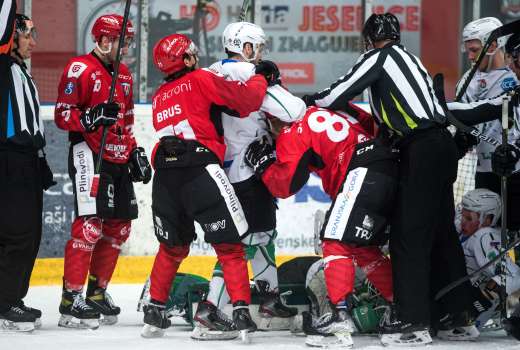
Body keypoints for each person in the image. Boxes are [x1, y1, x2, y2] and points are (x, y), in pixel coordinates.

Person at [301, 13, 476, 346]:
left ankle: (411, 321)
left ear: (370, 39)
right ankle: (458, 316)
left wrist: (307, 101)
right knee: (441, 233)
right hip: (441, 146)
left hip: (418, 149)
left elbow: (337, 94)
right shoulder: (413, 61)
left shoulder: (379, 57)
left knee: (408, 236)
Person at [141, 33, 268, 339]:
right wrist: (261, 77)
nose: (195, 57)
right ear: (184, 59)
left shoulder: (159, 95)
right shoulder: (199, 79)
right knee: (230, 246)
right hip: (201, 171)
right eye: (191, 53)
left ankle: (155, 309)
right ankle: (240, 312)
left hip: (166, 181)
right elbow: (246, 100)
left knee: (172, 248)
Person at [245, 103, 395, 348]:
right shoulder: (322, 108)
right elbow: (369, 120)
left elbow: (284, 185)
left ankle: (339, 316)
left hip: (361, 171)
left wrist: (264, 166)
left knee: (334, 240)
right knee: (361, 247)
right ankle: (400, 307)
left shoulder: (291, 131)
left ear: (275, 120)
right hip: (386, 167)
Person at [191, 21, 306, 340]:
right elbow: (294, 110)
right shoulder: (246, 74)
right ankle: (211, 306)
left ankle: (269, 298)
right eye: (257, 46)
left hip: (219, 169)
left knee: (256, 235)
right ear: (244, 46)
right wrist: (274, 81)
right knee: (242, 243)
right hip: (248, 168)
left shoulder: (212, 69)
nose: (260, 53)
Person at [54, 14, 151, 329]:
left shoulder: (123, 74)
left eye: (130, 42)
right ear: (104, 39)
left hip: (119, 157)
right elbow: (62, 114)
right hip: (89, 153)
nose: (127, 49)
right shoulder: (79, 68)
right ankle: (71, 299)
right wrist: (92, 116)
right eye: (123, 42)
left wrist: (135, 150)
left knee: (120, 227)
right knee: (89, 226)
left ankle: (97, 292)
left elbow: (126, 119)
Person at [0, 0, 55, 332]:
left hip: (27, 162)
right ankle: (6, 301)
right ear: (12, 34)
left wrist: (41, 160)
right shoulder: (2, 64)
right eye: (29, 34)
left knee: (29, 234)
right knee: (17, 233)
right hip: (8, 159)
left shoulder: (21, 72)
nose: (34, 41)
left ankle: (11, 297)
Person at [456, 17, 520, 231]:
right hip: (485, 169)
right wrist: (464, 138)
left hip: (515, 168)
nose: (471, 57)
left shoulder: (515, 74)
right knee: (485, 233)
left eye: (475, 50)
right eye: (468, 51)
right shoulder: (467, 81)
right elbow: (465, 121)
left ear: (492, 45)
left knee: (514, 229)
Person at [456, 189, 520, 332]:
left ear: (487, 219)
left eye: (469, 218)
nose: (463, 222)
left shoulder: (484, 236)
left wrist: (485, 297)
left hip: (471, 308)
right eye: (463, 215)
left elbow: (513, 276)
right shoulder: (464, 230)